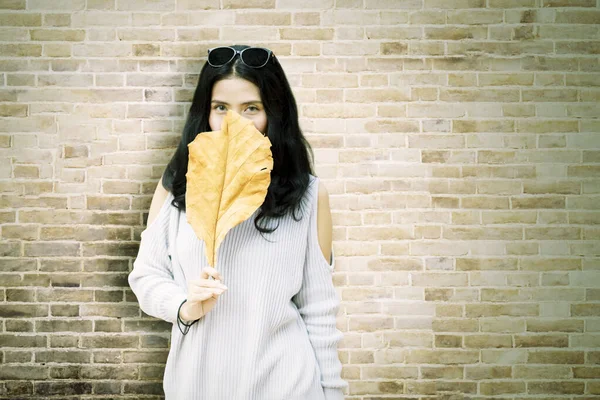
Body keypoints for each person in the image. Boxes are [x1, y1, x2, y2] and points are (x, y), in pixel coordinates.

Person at [127, 44, 348, 400]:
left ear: (273, 114)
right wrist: (186, 305)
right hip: (196, 386)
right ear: (206, 113)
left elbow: (319, 311)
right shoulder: (177, 185)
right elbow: (146, 277)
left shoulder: (308, 195)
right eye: (221, 108)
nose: (234, 123)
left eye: (251, 108)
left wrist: (333, 395)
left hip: (288, 385)